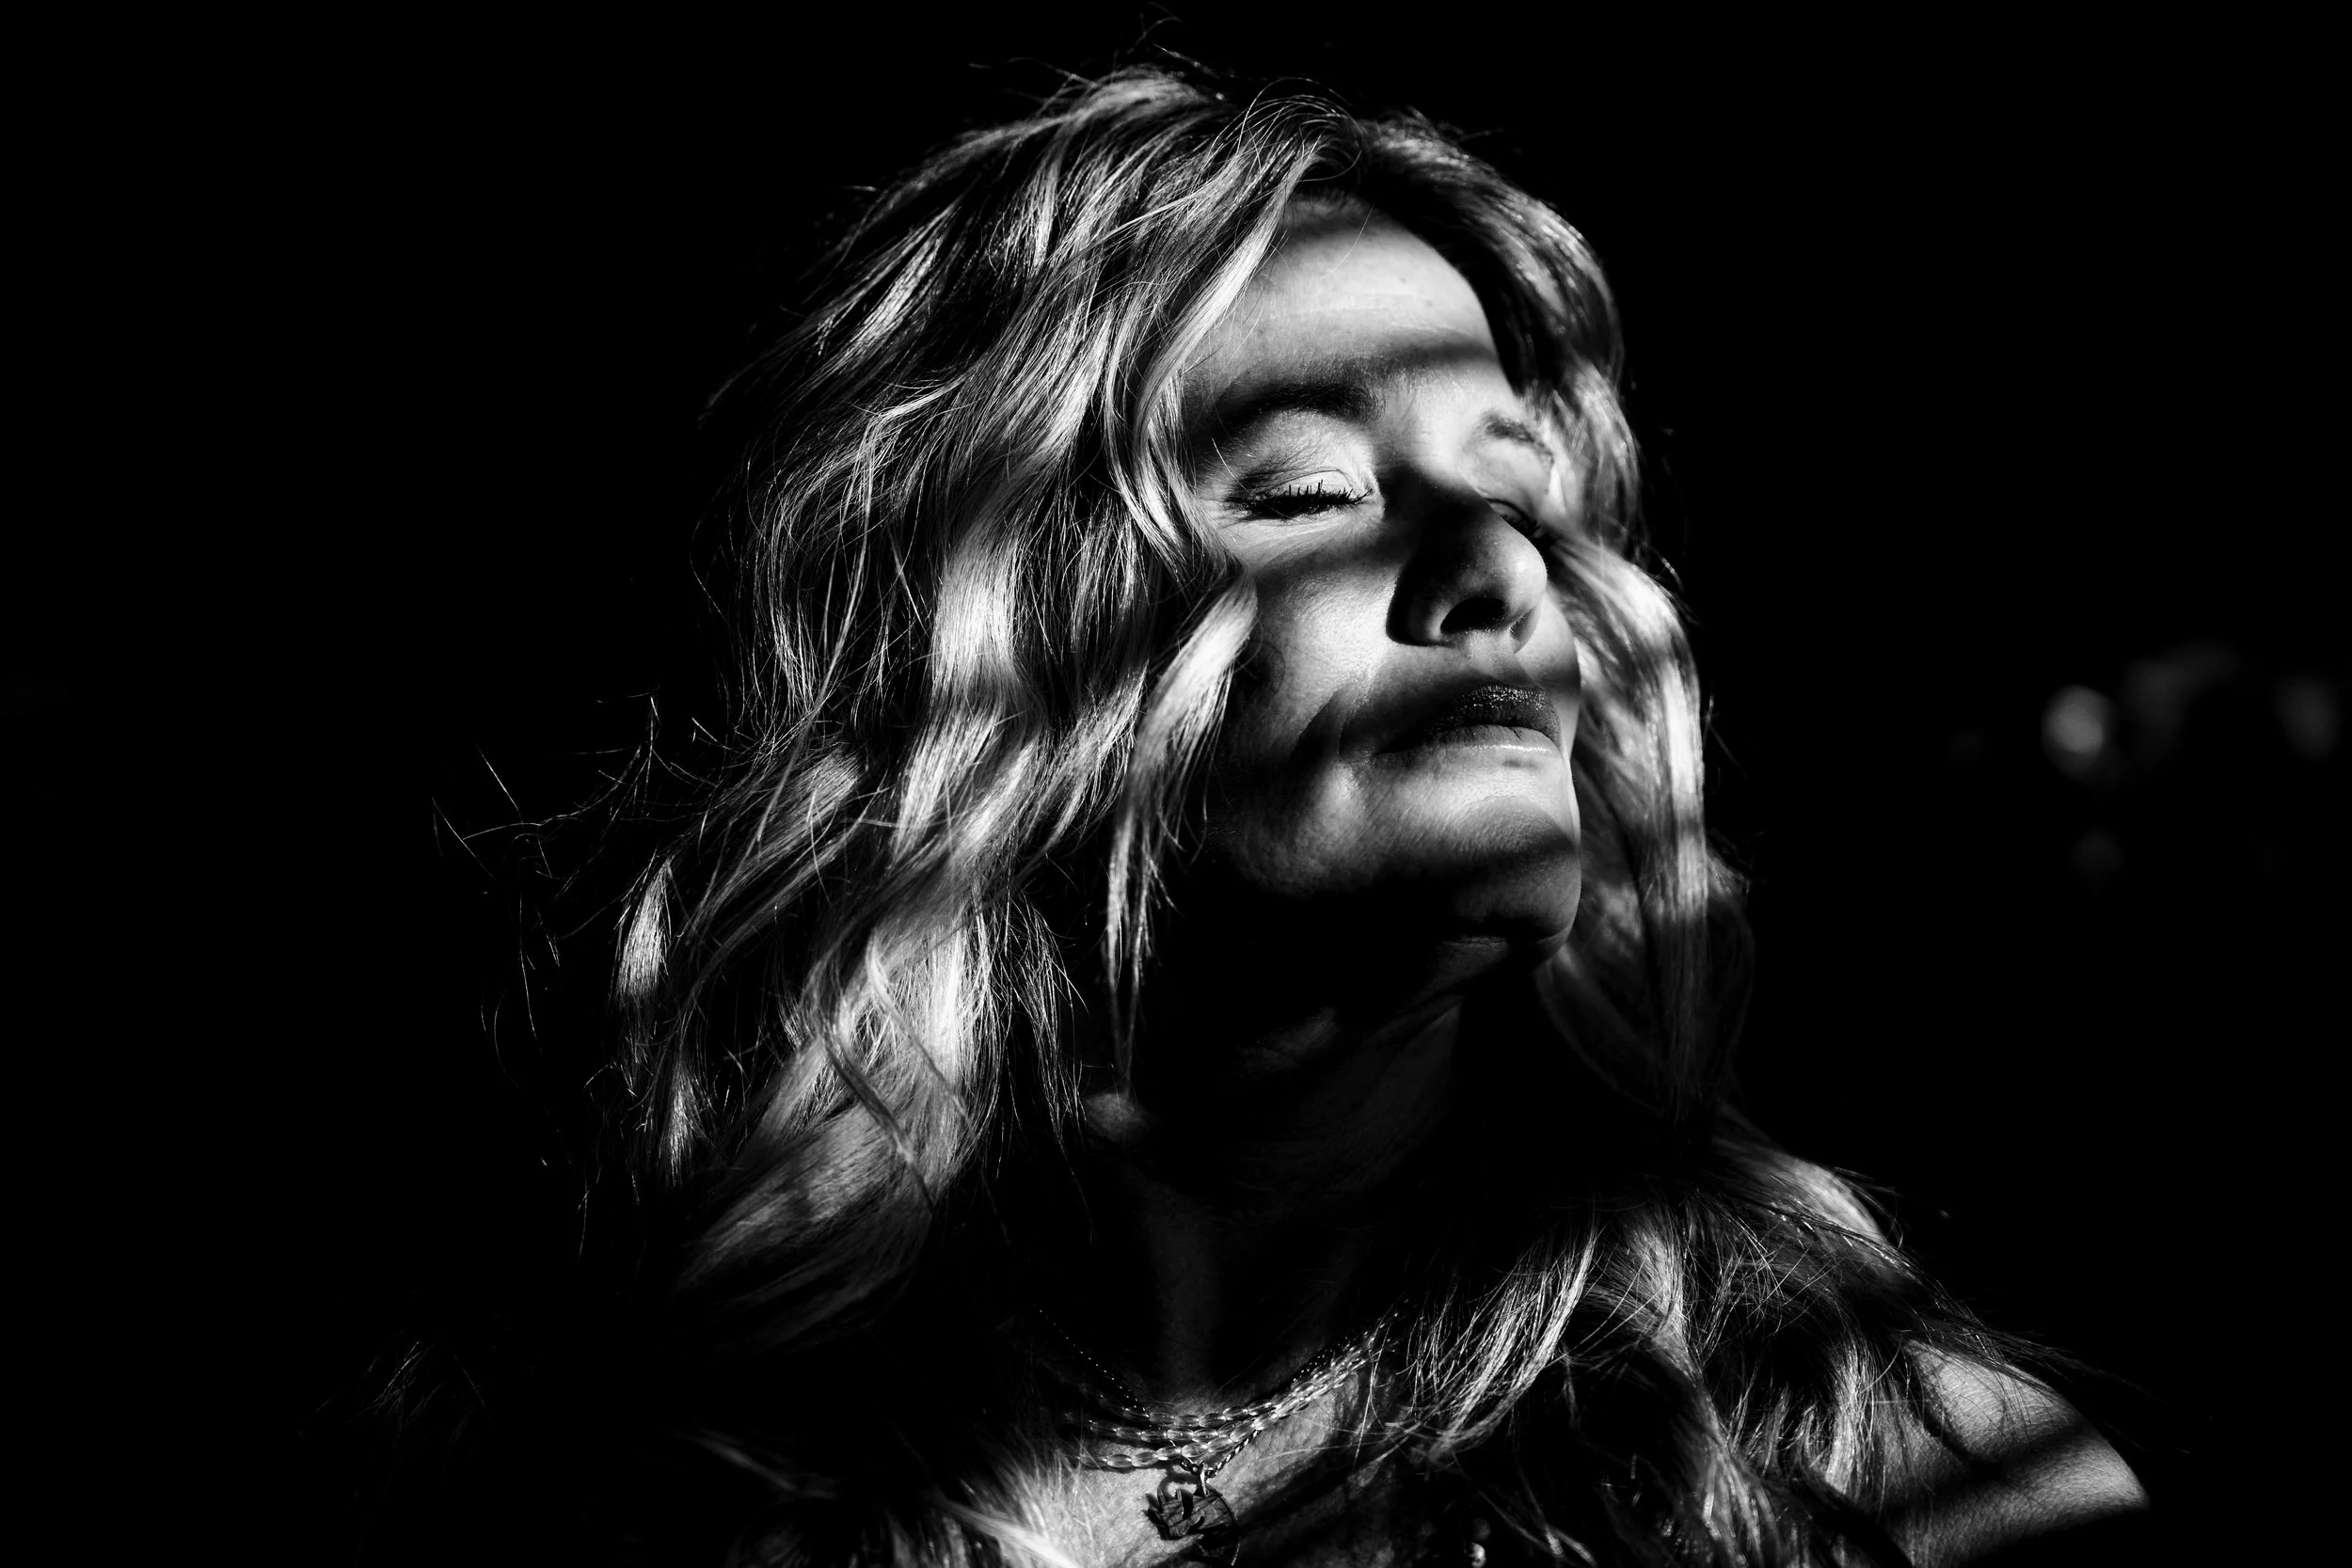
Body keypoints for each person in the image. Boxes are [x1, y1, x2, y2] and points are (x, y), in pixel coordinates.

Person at [366, 69, 2153, 1567]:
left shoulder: (1882, 1479)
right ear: (994, 642)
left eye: (1527, 498)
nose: (1495, 571)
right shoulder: (579, 1463)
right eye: (1306, 493)